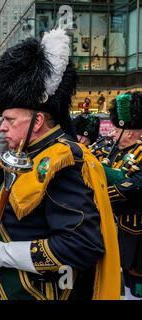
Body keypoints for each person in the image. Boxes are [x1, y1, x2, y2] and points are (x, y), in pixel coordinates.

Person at [0, 28, 120, 300]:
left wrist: (5, 254)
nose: (2, 128)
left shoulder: (62, 161)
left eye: (10, 121)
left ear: (37, 122)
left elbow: (81, 245)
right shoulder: (31, 150)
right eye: (1, 121)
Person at [93, 92, 142, 300]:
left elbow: (131, 187)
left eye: (117, 128)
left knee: (135, 285)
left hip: (135, 236)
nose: (113, 132)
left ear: (130, 132)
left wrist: (98, 192)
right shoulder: (113, 150)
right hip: (113, 230)